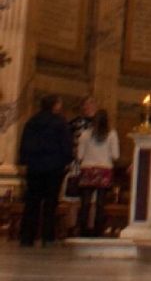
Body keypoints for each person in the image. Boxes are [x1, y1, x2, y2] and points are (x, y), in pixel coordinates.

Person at [18, 95, 74, 247]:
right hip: (53, 167)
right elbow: (66, 145)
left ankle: (27, 237)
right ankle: (47, 236)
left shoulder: (32, 121)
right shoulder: (60, 122)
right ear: (55, 105)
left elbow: (25, 143)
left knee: (32, 202)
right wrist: (67, 161)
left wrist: (24, 162)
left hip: (34, 167)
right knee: (50, 203)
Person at [74, 107, 122, 238]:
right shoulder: (112, 134)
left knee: (85, 203)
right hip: (104, 169)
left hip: (88, 169)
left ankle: (83, 230)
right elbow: (116, 155)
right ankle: (98, 230)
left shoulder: (85, 134)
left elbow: (80, 156)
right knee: (100, 203)